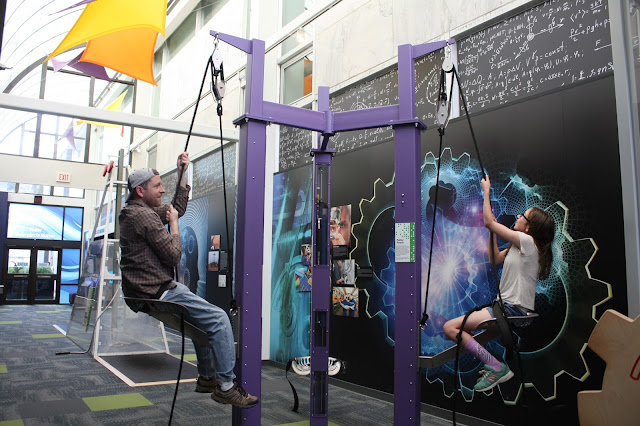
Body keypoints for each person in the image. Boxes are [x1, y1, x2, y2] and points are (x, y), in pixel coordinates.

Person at [119, 152, 258, 409]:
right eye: (157, 186)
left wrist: (183, 171)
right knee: (219, 319)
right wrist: (173, 225)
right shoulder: (145, 216)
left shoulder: (134, 212)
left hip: (145, 291)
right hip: (156, 290)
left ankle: (207, 378)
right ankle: (226, 386)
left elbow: (177, 209)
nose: (162, 190)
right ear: (140, 190)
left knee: (202, 323)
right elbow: (173, 255)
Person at [443, 175, 555, 392]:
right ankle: (494, 365)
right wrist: (492, 230)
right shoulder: (519, 245)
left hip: (511, 309)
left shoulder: (527, 242)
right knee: (457, 330)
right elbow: (494, 258)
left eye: (523, 215)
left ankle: (495, 366)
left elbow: (488, 221)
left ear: (529, 228)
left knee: (450, 327)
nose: (518, 216)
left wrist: (486, 192)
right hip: (507, 309)